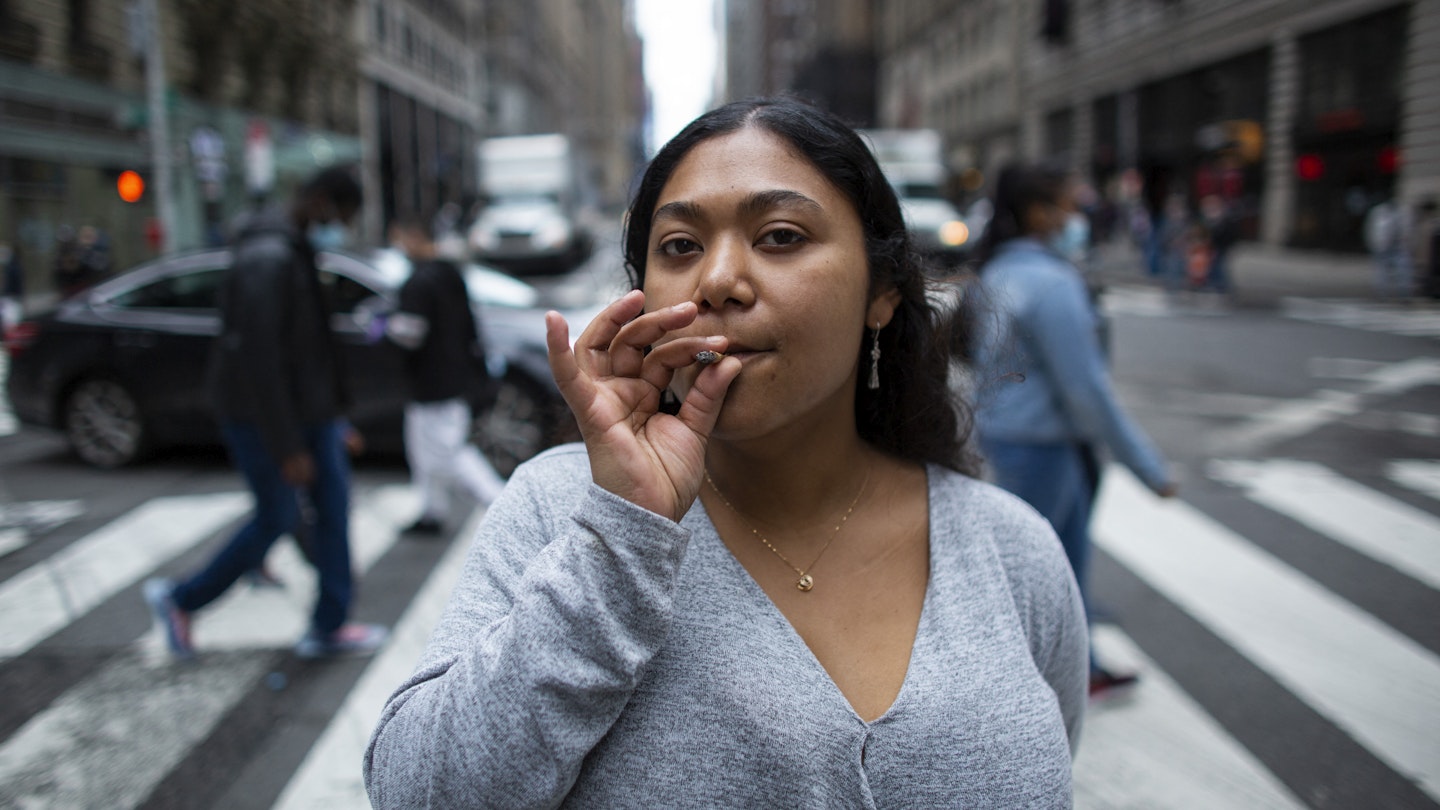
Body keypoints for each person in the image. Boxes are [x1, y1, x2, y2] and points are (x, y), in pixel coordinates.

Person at [364, 98, 1087, 807]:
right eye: (679, 246)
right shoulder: (562, 507)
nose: (717, 281)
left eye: (779, 236)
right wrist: (621, 537)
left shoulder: (1012, 551)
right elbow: (417, 790)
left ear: (883, 293)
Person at [144, 166, 387, 660]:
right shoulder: (267, 257)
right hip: (263, 418)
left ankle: (330, 623)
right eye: (341, 215)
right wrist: (287, 445)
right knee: (277, 514)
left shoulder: (293, 248)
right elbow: (260, 361)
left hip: (309, 415)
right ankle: (181, 599)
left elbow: (309, 350)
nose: (340, 226)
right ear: (320, 201)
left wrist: (333, 418)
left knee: (332, 512)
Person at [963, 162, 1178, 699]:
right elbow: (1085, 389)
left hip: (1009, 437)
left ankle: (1079, 664)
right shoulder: (1052, 282)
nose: (1077, 217)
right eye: (1070, 206)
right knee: (1046, 571)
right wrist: (1148, 467)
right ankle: (1030, 680)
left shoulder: (996, 272)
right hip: (1049, 448)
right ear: (1040, 214)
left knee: (1044, 567)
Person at [385, 216, 506, 535]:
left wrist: (383, 328)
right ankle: (431, 511)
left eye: (399, 238)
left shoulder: (417, 282)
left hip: (432, 381)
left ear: (413, 236)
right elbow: (469, 323)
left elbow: (409, 335)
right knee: (422, 450)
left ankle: (501, 504)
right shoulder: (451, 273)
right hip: (453, 375)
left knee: (450, 453)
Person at [1364, 196, 1413, 300]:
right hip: (1383, 246)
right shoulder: (1379, 212)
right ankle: (1382, 293)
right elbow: (1372, 229)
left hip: (1399, 246)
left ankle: (1404, 292)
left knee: (1403, 270)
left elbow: (1408, 229)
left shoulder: (1403, 212)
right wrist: (1375, 243)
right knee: (1382, 272)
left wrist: (1408, 243)